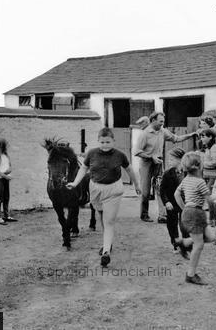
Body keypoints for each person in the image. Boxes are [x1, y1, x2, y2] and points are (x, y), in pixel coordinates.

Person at [67, 127, 140, 267]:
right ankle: (108, 242)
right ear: (98, 141)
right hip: (95, 189)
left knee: (109, 221)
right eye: (102, 142)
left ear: (113, 141)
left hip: (113, 189)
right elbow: (84, 168)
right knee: (101, 215)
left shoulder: (120, 155)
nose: (105, 145)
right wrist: (75, 183)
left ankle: (106, 252)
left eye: (108, 142)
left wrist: (137, 185)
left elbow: (129, 169)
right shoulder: (92, 153)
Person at [134, 112, 198, 223]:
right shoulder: (145, 134)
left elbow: (176, 138)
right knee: (145, 191)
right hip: (146, 164)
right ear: (153, 120)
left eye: (163, 121)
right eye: (160, 121)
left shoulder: (162, 131)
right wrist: (151, 157)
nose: (162, 124)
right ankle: (144, 214)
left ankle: (162, 215)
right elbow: (136, 151)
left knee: (160, 187)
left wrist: (191, 134)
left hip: (158, 162)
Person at [174, 152, 216, 285]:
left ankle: (185, 243)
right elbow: (210, 201)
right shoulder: (200, 182)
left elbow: (177, 194)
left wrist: (184, 208)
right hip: (195, 213)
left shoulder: (185, 180)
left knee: (211, 237)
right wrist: (213, 217)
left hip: (191, 212)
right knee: (199, 245)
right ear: (199, 167)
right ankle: (190, 274)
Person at [159, 147, 191, 255]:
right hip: (172, 204)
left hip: (185, 203)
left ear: (180, 159)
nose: (169, 161)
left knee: (185, 224)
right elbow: (162, 190)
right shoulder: (167, 173)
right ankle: (175, 243)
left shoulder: (188, 172)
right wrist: (166, 202)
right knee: (172, 224)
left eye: (171, 159)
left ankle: (186, 243)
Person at [0, 138, 16, 225]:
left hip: (5, 179)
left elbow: (10, 167)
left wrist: (8, 171)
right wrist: (5, 175)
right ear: (0, 145)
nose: (6, 146)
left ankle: (6, 216)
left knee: (6, 198)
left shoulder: (6, 155)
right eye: (4, 144)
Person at [199, 129, 216, 226]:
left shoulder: (214, 148)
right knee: (209, 198)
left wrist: (203, 164)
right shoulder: (208, 148)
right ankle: (213, 219)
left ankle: (213, 219)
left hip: (213, 176)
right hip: (207, 175)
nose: (201, 139)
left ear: (210, 137)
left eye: (203, 136)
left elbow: (215, 162)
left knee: (210, 198)